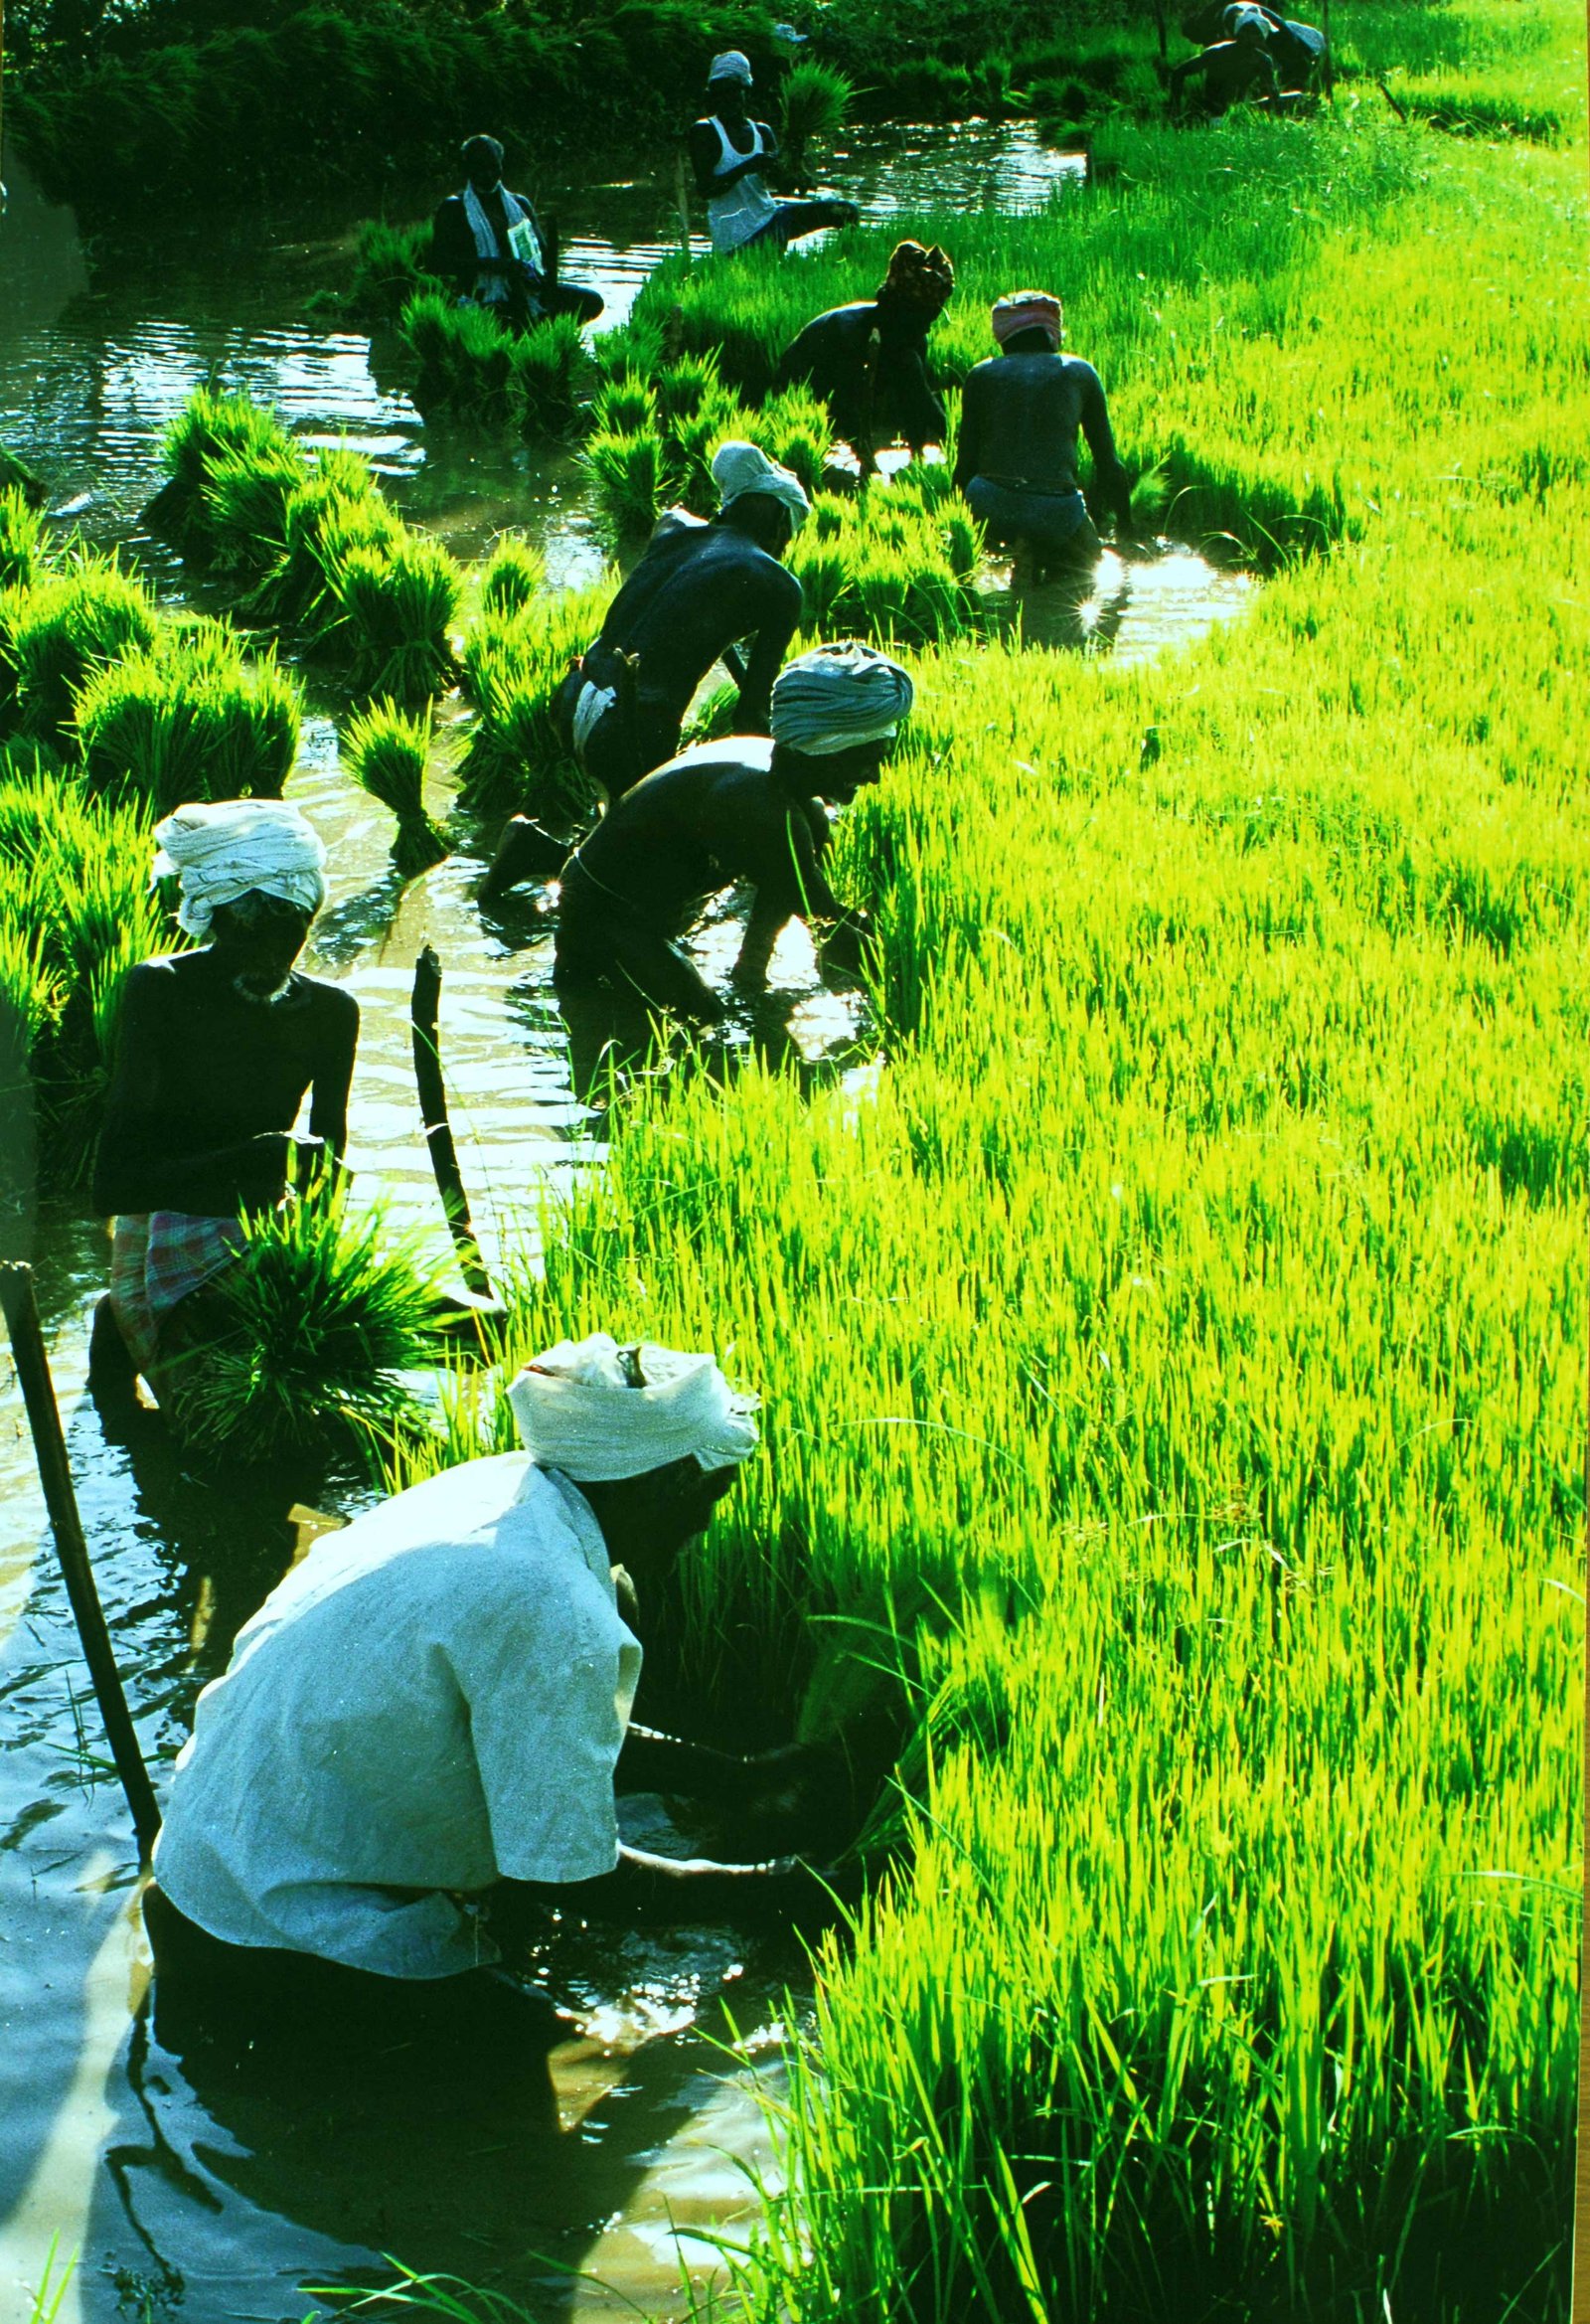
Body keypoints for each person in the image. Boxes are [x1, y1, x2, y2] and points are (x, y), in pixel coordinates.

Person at [146, 1332, 860, 2051]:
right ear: (666, 1481)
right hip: (280, 1934)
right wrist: (782, 1889)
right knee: (525, 2067)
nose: (706, 1522)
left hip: (203, 1860)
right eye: (713, 1493)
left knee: (615, 1598)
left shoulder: (505, 1491)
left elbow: (545, 1737)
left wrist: (738, 1780)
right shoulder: (555, 1608)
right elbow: (572, 1880)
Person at [90, 800, 358, 1412]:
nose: (270, 957)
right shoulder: (162, 989)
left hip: (264, 1234)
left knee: (459, 1328)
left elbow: (326, 1181)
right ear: (214, 919)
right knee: (214, 1421)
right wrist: (258, 1156)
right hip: (165, 1227)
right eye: (249, 934)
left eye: (288, 933)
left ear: (308, 919)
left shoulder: (330, 1012)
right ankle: (121, 1322)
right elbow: (113, 1189)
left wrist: (313, 1279)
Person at [481, 441, 809, 901]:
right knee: (662, 885)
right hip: (633, 726)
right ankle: (533, 851)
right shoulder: (779, 586)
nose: (782, 547)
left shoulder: (673, 526)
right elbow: (750, 718)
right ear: (777, 520)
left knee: (629, 832)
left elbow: (686, 603)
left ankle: (538, 852)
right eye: (787, 536)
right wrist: (788, 792)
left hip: (576, 695)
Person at [554, 641, 912, 1024]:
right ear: (825, 749)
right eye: (866, 761)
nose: (874, 777)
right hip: (600, 914)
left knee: (806, 842)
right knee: (705, 1022)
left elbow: (790, 888)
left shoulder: (786, 789)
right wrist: (906, 978)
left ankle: (749, 970)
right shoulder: (757, 805)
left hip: (650, 908)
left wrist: (752, 971)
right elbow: (830, 931)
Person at [954, 289, 1133, 582]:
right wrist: (1126, 529)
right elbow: (1109, 465)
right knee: (1092, 573)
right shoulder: (1079, 372)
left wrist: (957, 528)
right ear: (1052, 334)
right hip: (1056, 509)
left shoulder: (981, 374)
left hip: (988, 501)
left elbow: (964, 467)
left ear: (1004, 337)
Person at [775, 240, 956, 477]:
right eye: (923, 318)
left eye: (933, 318)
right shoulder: (850, 332)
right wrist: (868, 462)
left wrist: (933, 449)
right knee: (811, 450)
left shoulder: (914, 337)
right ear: (902, 310)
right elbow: (846, 405)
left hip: (843, 385)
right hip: (802, 383)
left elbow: (917, 397)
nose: (928, 327)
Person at [690, 51, 859, 257]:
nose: (728, 99)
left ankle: (845, 262)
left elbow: (783, 186)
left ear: (745, 91)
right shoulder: (704, 131)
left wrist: (796, 176)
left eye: (734, 91)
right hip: (735, 239)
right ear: (713, 96)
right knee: (771, 237)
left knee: (847, 212)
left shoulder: (762, 132)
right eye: (722, 93)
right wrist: (747, 167)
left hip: (769, 218)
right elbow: (705, 189)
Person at [430, 133, 603, 329]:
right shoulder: (454, 208)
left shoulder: (519, 204)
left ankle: (539, 328)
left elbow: (542, 255)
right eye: (479, 168)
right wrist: (497, 265)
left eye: (493, 167)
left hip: (527, 291)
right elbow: (438, 263)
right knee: (511, 319)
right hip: (484, 295)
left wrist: (540, 273)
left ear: (501, 165)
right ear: (467, 169)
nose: (488, 175)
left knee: (592, 302)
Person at [1168, 13, 1283, 114]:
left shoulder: (1262, 61)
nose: (1248, 36)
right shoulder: (1217, 53)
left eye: (1256, 33)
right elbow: (1179, 72)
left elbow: (1273, 92)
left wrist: (1277, 115)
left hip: (1237, 112)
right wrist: (1175, 107)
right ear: (1240, 32)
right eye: (1246, 31)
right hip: (1210, 110)